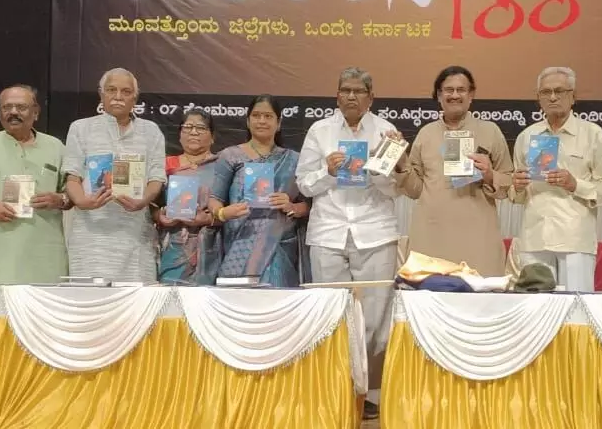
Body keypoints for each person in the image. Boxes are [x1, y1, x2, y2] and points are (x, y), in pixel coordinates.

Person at [296, 67, 400, 420]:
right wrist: (326, 171)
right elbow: (304, 184)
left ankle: (369, 393)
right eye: (345, 90)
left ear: (371, 97)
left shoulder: (386, 131)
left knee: (375, 318)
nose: (351, 96)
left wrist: (380, 168)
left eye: (358, 91)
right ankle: (334, 388)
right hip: (328, 232)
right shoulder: (320, 130)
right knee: (330, 314)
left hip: (375, 231)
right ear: (337, 95)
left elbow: (395, 190)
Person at [394, 66, 514, 276]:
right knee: (430, 294)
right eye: (449, 90)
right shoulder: (426, 134)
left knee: (480, 294)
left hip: (478, 237)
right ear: (439, 95)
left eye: (461, 90)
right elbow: (415, 190)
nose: (455, 95)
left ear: (471, 95)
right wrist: (402, 162)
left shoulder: (490, 131)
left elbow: (509, 182)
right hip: (432, 235)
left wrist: (489, 175)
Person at [0, 84, 70, 294]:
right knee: (0, 315)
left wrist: (59, 199)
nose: (13, 112)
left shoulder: (56, 147)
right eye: (6, 107)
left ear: (36, 112)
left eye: (21, 107)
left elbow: (71, 196)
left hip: (46, 261)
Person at [512, 67, 602, 292]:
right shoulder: (526, 137)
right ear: (538, 98)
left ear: (573, 96)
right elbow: (517, 196)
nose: (552, 97)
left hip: (574, 239)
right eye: (545, 92)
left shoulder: (593, 134)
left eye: (559, 91)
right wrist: (517, 186)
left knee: (575, 305)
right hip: (534, 237)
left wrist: (575, 184)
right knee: (536, 306)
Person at [61, 68, 166, 283]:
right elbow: (72, 177)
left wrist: (143, 201)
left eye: (126, 91)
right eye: (111, 90)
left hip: (135, 236)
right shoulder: (81, 128)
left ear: (135, 98)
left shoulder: (151, 131)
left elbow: (157, 178)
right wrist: (82, 202)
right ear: (101, 95)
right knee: (90, 300)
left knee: (136, 300)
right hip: (90, 237)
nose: (118, 96)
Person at [210, 95, 309, 287]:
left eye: (268, 116)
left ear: (278, 123)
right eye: (256, 115)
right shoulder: (230, 156)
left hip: (279, 245)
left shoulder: (294, 160)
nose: (262, 121)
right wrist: (223, 213)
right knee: (239, 301)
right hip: (240, 242)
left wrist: (292, 207)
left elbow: (310, 205)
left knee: (277, 300)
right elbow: (214, 198)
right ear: (248, 122)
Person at [155, 109, 222, 285]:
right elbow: (150, 206)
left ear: (212, 136)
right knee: (172, 298)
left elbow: (235, 210)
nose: (193, 132)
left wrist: (208, 219)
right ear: (179, 135)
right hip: (173, 247)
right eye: (188, 127)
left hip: (212, 247)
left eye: (201, 128)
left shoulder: (222, 167)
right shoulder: (165, 166)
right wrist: (160, 216)